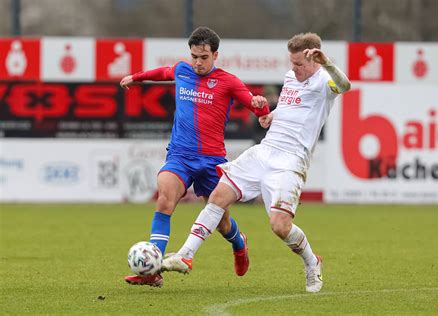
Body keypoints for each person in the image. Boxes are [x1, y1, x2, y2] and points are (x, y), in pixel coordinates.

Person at [161, 32, 351, 293]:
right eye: (291, 63)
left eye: (299, 64)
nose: (293, 69)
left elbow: (345, 86)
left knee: (280, 227)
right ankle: (185, 255)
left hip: (290, 161)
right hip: (264, 151)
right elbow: (290, 108)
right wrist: (271, 116)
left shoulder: (324, 81)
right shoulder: (290, 77)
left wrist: (327, 62)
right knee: (218, 196)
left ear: (314, 59)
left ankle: (312, 261)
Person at [120, 26, 269, 287]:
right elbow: (163, 73)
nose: (198, 63)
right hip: (179, 155)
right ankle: (153, 271)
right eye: (194, 57)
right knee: (165, 200)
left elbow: (258, 109)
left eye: (203, 57)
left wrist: (260, 105)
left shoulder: (228, 82)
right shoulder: (182, 70)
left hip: (211, 161)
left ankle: (239, 242)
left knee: (222, 224)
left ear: (215, 55)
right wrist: (136, 77)